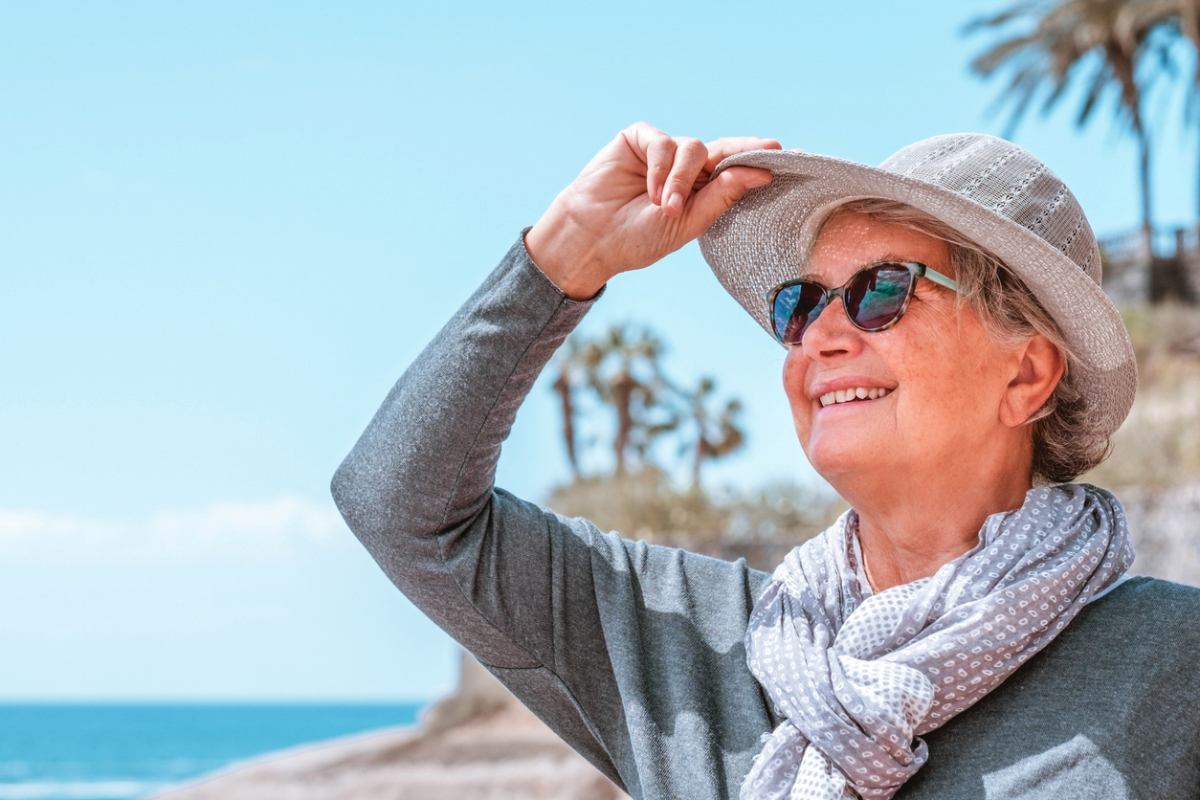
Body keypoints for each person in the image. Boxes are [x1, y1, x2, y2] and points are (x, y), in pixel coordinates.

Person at [331, 123, 1200, 799]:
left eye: (882, 291)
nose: (821, 334)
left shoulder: (1171, 663)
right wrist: (564, 257)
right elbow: (401, 509)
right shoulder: (692, 640)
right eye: (801, 303)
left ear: (1027, 372)